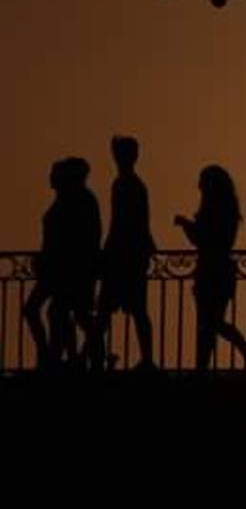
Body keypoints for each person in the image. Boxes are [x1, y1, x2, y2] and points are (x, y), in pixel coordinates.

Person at [174, 165, 246, 372]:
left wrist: (186, 225)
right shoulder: (228, 208)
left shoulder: (214, 209)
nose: (199, 186)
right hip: (220, 270)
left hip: (211, 270)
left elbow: (203, 239)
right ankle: (206, 364)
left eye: (203, 181)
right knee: (210, 323)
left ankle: (243, 351)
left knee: (210, 323)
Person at [23, 157, 102, 369]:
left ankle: (61, 357)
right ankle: (62, 356)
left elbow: (83, 239)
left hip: (67, 270)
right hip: (56, 269)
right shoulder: (69, 199)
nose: (50, 176)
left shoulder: (80, 200)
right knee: (58, 313)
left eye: (54, 173)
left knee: (63, 313)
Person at [91, 136, 157, 371]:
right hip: (131, 255)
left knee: (106, 312)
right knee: (132, 311)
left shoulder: (126, 184)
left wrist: (108, 252)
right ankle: (145, 359)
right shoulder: (131, 183)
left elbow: (121, 223)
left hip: (123, 257)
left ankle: (94, 359)